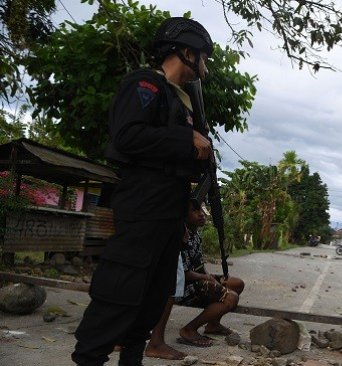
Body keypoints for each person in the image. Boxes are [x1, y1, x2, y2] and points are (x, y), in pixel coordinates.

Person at [72, 17, 214, 366]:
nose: (206, 68)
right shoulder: (146, 84)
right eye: (203, 58)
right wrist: (187, 139)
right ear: (186, 52)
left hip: (168, 213)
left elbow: (177, 157)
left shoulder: (183, 103)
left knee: (151, 301)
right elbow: (127, 137)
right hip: (142, 206)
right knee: (118, 292)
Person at [145, 202, 244, 358]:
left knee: (236, 283)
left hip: (196, 278)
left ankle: (213, 324)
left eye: (201, 210)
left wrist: (210, 277)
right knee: (231, 297)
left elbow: (198, 265)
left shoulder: (195, 235)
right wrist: (206, 278)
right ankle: (189, 329)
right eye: (195, 210)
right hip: (185, 285)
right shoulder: (180, 236)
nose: (201, 214)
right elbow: (182, 273)